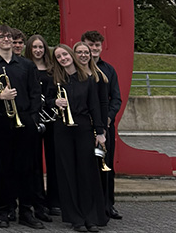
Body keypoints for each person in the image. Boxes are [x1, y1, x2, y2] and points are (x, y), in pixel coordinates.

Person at [0, 25, 43, 229]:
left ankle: (25, 210)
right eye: (2, 36)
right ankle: (4, 210)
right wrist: (0, 96)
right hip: (0, 123)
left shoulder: (26, 65)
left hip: (24, 120)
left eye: (9, 36)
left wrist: (32, 117)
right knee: (2, 168)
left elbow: (35, 94)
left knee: (26, 167)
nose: (6, 39)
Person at [48, 45, 107, 233]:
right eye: (58, 56)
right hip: (62, 129)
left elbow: (95, 107)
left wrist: (100, 132)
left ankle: (91, 217)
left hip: (83, 127)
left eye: (65, 54)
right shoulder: (55, 80)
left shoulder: (87, 79)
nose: (63, 58)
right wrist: (54, 102)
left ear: (71, 55)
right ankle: (75, 218)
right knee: (68, 172)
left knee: (86, 172)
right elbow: (44, 100)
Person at [81, 30, 121, 220]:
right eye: (90, 44)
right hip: (84, 125)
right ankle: (88, 205)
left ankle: (107, 205)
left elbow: (116, 99)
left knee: (107, 166)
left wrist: (108, 118)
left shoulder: (109, 69)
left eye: (97, 45)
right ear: (83, 45)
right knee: (86, 166)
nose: (94, 48)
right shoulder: (78, 69)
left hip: (104, 126)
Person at [25, 34, 57, 220]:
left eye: (41, 47)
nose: (38, 50)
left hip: (51, 120)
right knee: (34, 162)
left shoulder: (53, 70)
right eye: (35, 47)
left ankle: (54, 201)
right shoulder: (26, 68)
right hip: (33, 120)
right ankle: (37, 201)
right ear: (30, 49)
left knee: (54, 161)